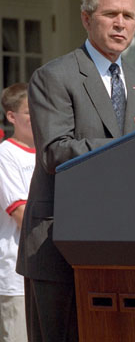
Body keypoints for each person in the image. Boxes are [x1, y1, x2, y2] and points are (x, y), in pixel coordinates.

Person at [16, 0, 135, 342]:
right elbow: (55, 151)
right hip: (60, 240)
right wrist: (134, 143)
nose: (121, 23)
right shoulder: (54, 76)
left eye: (129, 16)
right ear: (86, 18)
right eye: (111, 13)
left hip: (126, 245)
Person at [0, 83, 33, 342]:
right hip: (16, 274)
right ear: (12, 117)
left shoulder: (49, 152)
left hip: (47, 271)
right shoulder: (5, 154)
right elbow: (21, 214)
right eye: (30, 112)